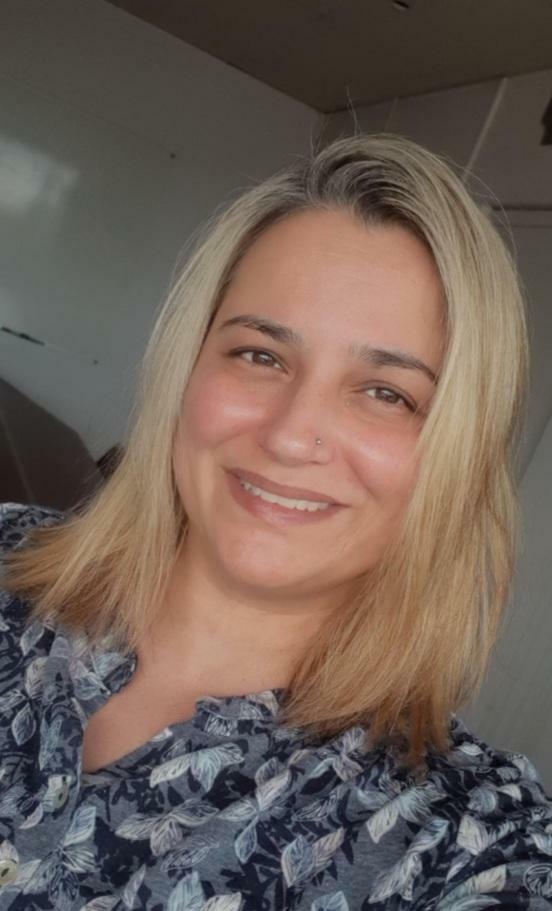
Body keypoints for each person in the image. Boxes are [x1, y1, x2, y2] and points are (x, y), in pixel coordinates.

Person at [0, 133, 550, 911]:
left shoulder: (464, 842)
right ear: (187, 365)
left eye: (387, 393)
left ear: (459, 458)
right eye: (260, 355)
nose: (291, 435)